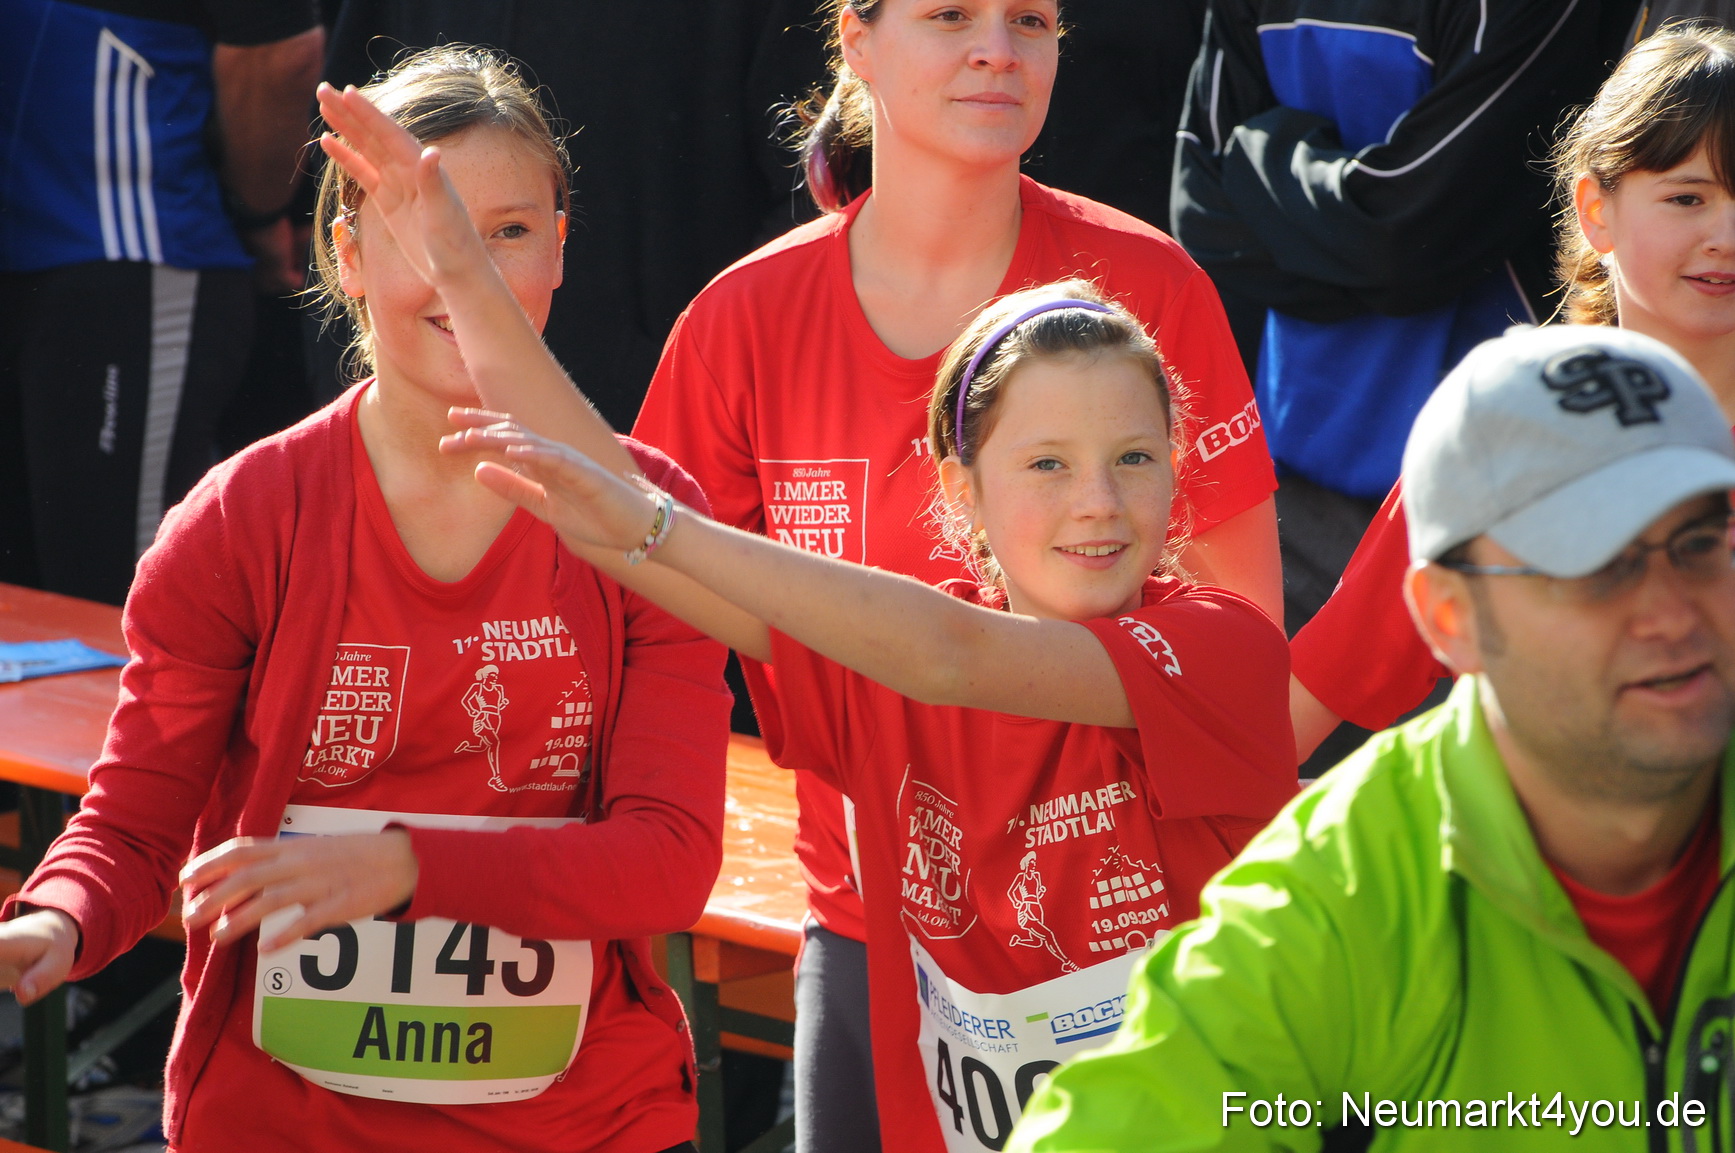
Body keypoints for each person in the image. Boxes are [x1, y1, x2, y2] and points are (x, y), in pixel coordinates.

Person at [0, 49, 731, 1152]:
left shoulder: (649, 513)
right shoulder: (241, 520)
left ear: (559, 247)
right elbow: (136, 825)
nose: (463, 269)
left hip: (584, 1121)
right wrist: (56, 918)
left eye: (506, 231)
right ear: (345, 253)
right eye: (420, 225)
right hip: (281, 1121)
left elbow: (667, 861)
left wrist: (400, 868)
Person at [630, 5, 1282, 1148]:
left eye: (1030, 19)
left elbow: (1245, 649)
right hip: (877, 929)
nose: (997, 49)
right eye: (950, 15)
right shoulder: (743, 317)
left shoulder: (1148, 283)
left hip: (1145, 935)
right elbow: (647, 576)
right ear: (856, 40)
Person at [456, 279, 1296, 1153]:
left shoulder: (1220, 648)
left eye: (1134, 457)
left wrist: (656, 524)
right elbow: (608, 515)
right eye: (1047, 463)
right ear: (961, 490)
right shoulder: (884, 661)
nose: (1099, 501)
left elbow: (950, 654)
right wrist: (454, 267)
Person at [1008, 322, 1735, 1151]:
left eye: (1699, 544)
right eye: (1591, 567)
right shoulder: (1340, 896)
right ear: (1448, 619)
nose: (1669, 613)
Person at [1290, 23, 1735, 763]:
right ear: (1595, 210)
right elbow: (1299, 705)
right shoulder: (1503, 431)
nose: (1726, 234)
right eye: (1687, 197)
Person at [1171, 0, 1637, 652]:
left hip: (1504, 487)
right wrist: (1370, 259)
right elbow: (1199, 215)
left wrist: (1263, 157)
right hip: (1290, 481)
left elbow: (1405, 238)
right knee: (1284, 710)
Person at [0, 0, 324, 606]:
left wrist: (262, 213)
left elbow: (279, 55)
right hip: (85, 249)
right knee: (44, 595)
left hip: (125, 256)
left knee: (123, 593)